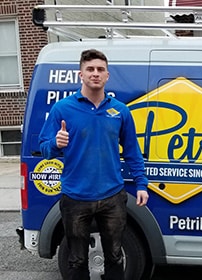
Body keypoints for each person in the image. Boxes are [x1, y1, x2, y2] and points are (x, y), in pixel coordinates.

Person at [39, 49, 149, 280]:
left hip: (112, 197)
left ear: (107, 75)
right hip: (75, 197)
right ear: (81, 74)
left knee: (115, 257)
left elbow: (132, 151)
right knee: (76, 260)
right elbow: (44, 148)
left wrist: (141, 183)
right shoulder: (62, 109)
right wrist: (56, 144)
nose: (95, 74)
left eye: (100, 69)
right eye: (90, 69)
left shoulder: (120, 111)